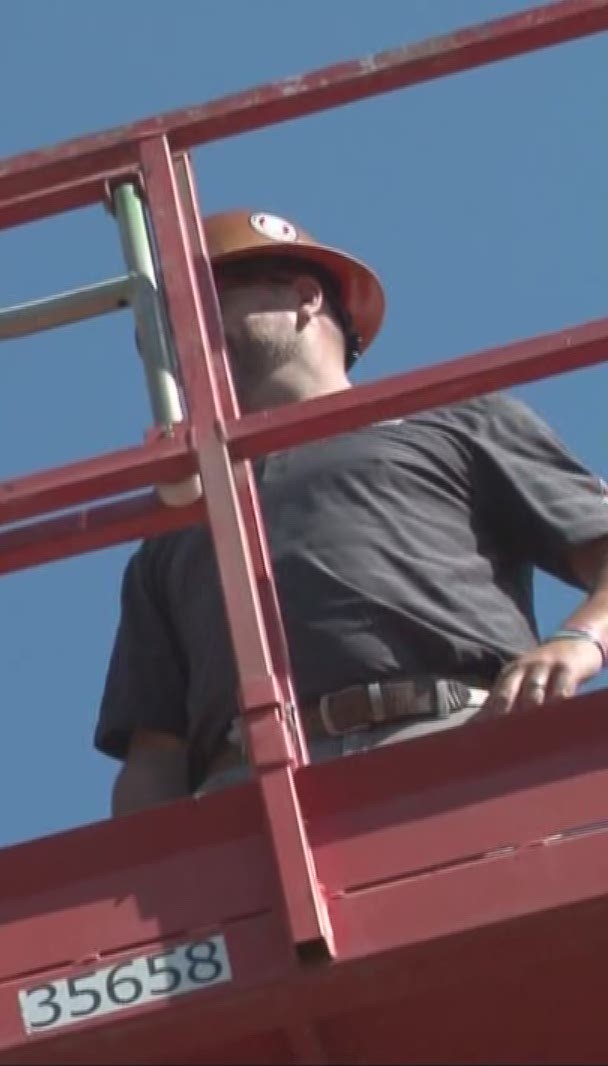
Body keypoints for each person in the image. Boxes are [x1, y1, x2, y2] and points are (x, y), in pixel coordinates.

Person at [96, 208, 608, 814]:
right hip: (252, 797)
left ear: (305, 296)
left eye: (198, 306)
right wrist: (166, 884)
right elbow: (155, 758)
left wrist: (577, 644)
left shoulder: (455, 421)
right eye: (159, 327)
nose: (173, 341)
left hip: (459, 744)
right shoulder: (174, 525)